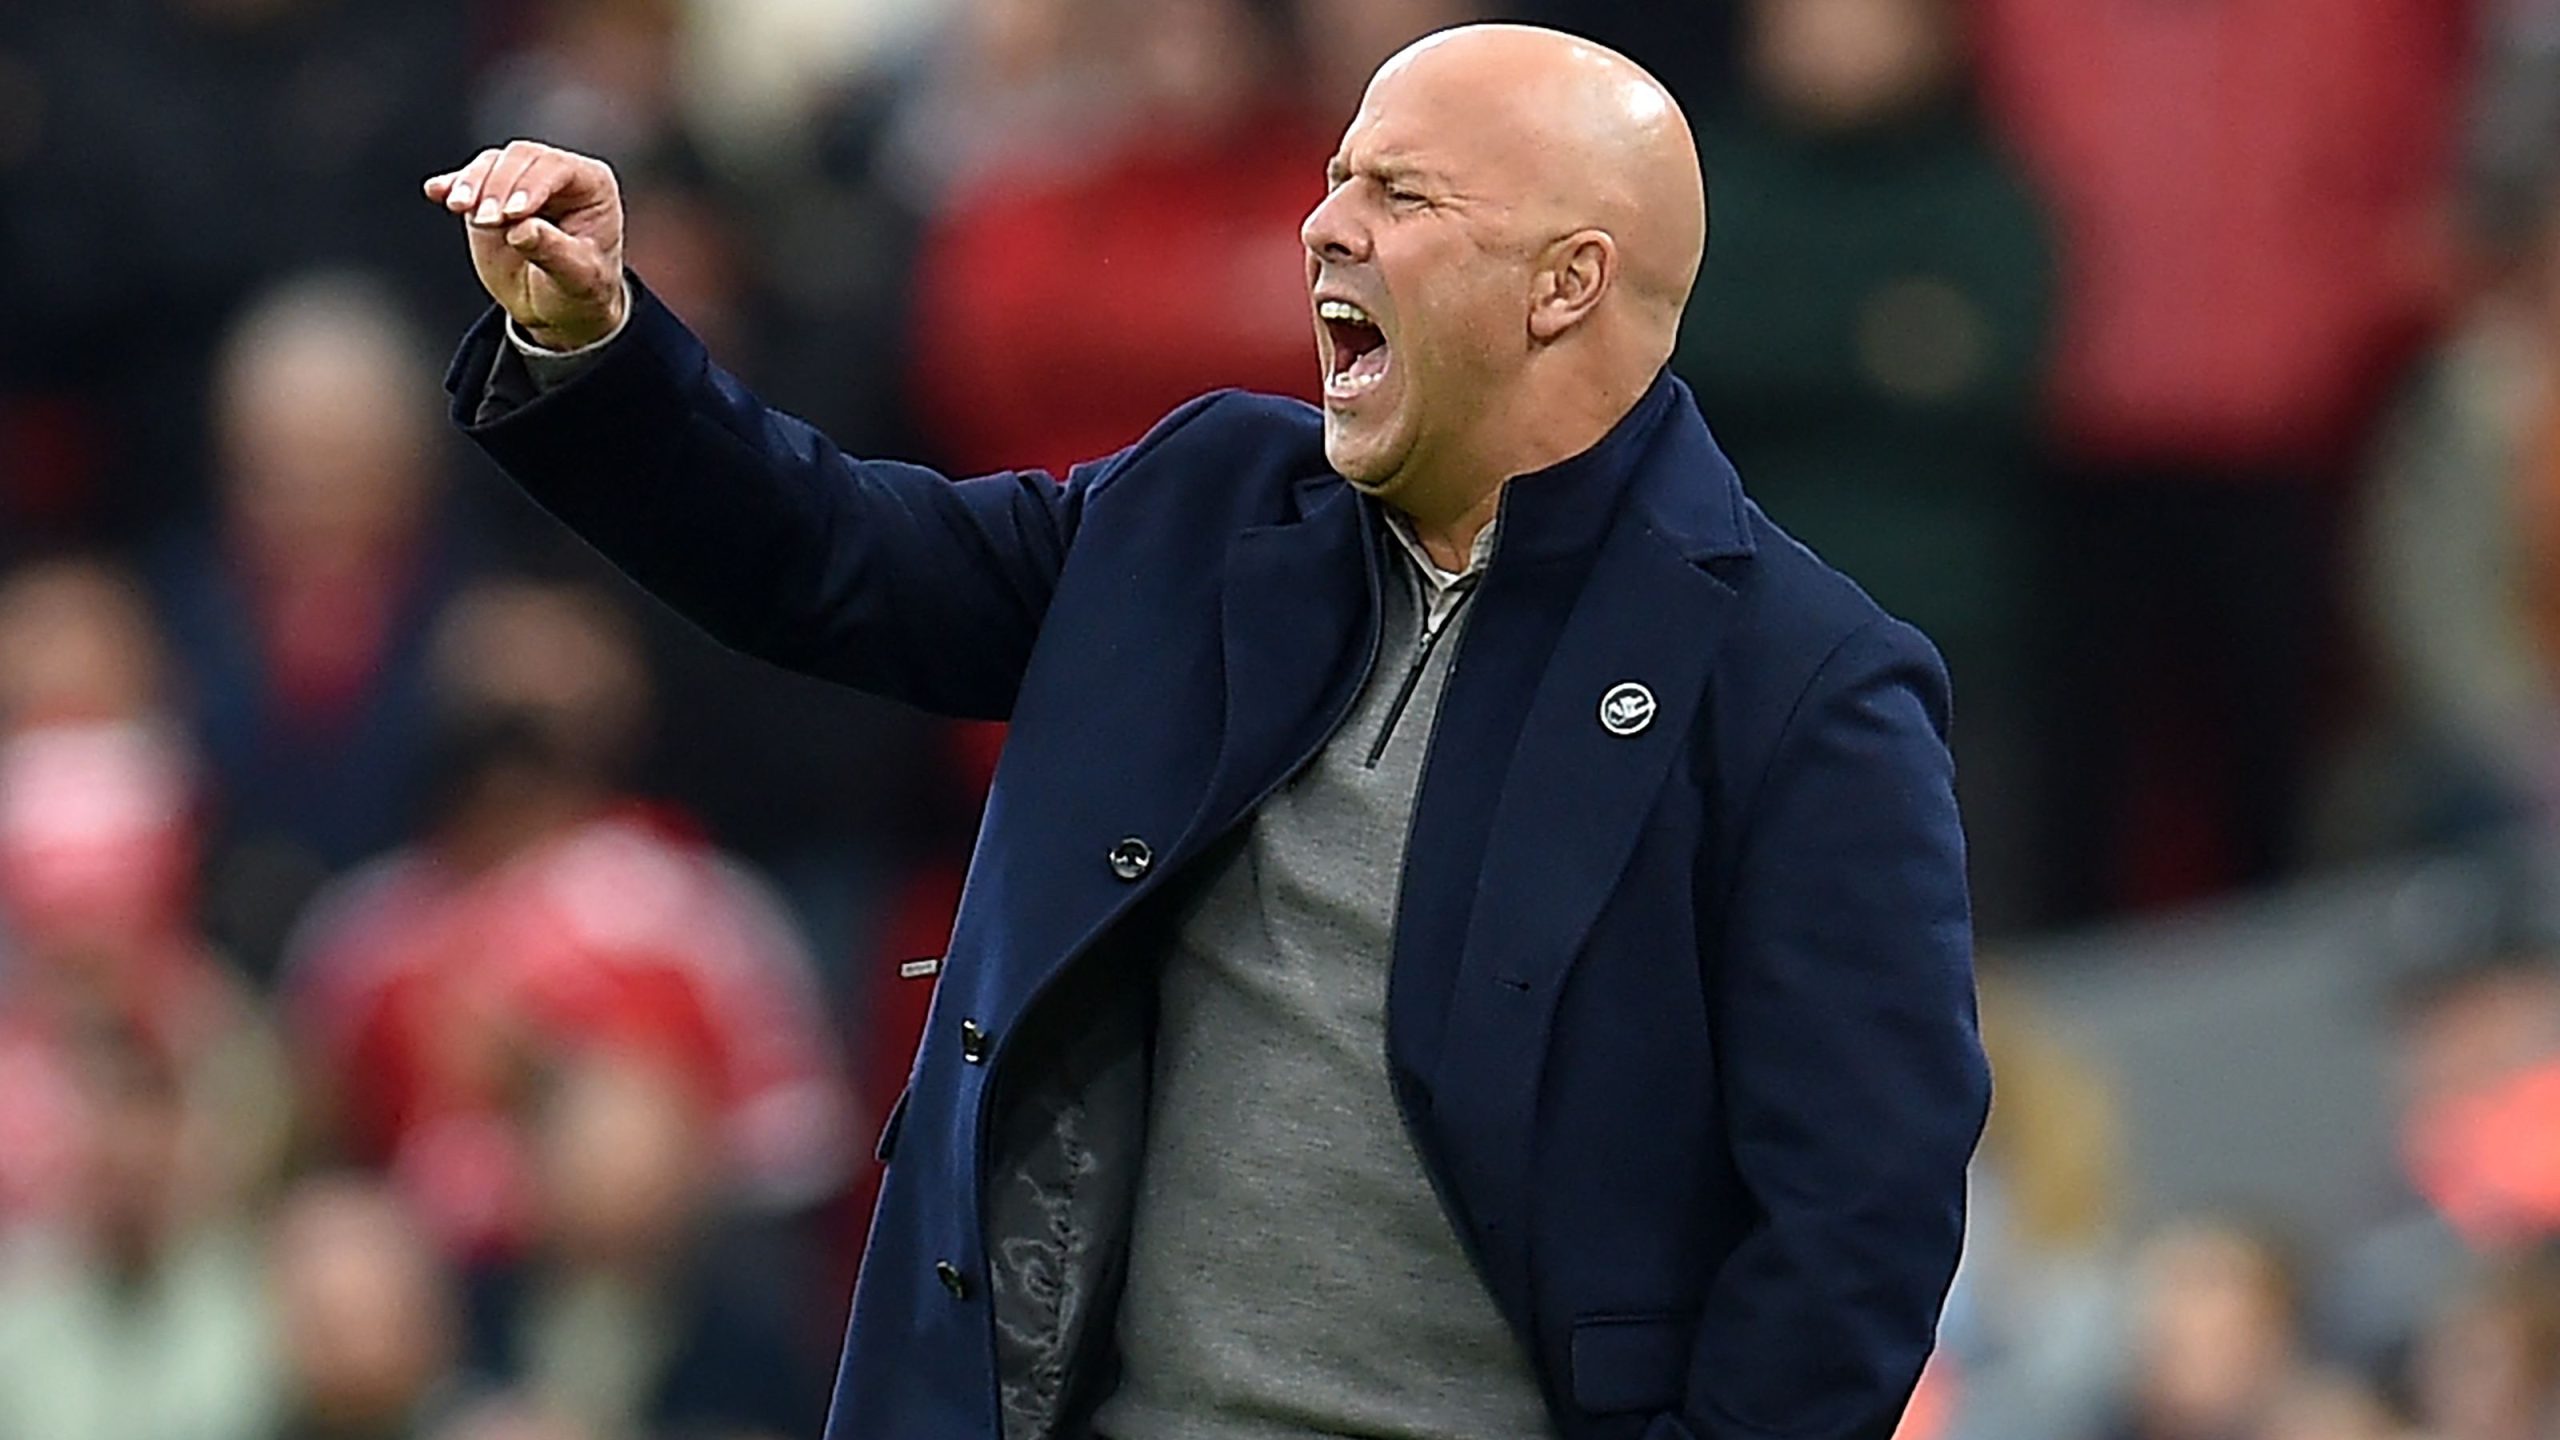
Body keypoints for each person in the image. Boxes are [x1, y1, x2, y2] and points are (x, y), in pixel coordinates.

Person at [424, 21, 1989, 1440]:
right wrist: (601, 344)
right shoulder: (1203, 505)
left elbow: (1857, 1221)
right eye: (1337, 175)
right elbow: (832, 558)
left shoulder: (1803, 684)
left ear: (1564, 283)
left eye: (1400, 194)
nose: (1324, 224)